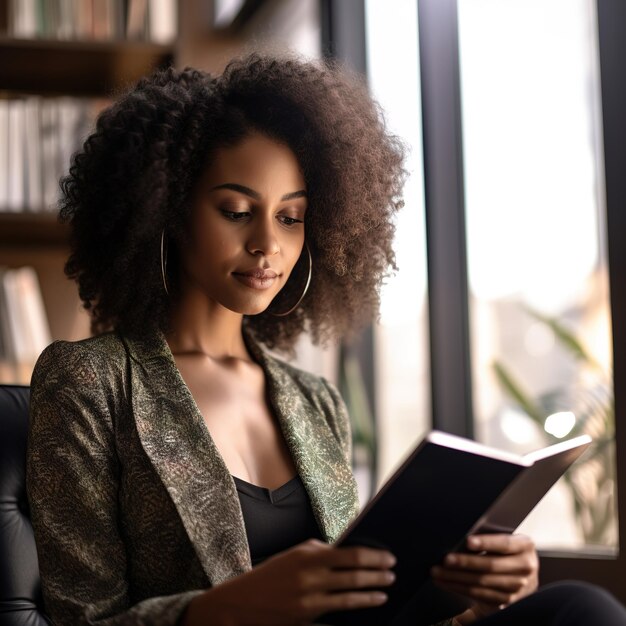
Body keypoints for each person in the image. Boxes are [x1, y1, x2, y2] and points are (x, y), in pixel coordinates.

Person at [25, 50, 626, 626]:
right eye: (236, 210)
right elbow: (83, 618)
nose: (269, 244)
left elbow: (369, 604)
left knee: (580, 608)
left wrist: (473, 596)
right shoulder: (90, 381)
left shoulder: (314, 400)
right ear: (169, 213)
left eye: (290, 217)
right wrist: (226, 609)